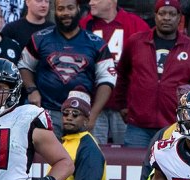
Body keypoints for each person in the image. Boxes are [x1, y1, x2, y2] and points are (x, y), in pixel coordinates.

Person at [18, 0, 116, 141]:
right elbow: (24, 66)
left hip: (81, 114)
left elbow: (107, 80)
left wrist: (93, 114)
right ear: (55, 11)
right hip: (47, 112)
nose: (65, 13)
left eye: (70, 8)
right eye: (61, 9)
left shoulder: (96, 43)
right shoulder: (39, 38)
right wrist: (32, 90)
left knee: (80, 159)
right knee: (47, 161)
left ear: (78, 9)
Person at [115, 0, 190, 147]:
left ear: (179, 17)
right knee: (136, 167)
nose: (166, 17)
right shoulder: (136, 42)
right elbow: (121, 75)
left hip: (174, 125)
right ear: (155, 15)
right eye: (162, 13)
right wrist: (122, 105)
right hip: (138, 126)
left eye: (172, 14)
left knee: (169, 168)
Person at [80, 0, 150, 144]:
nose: (91, 2)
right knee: (94, 150)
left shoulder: (137, 25)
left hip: (124, 107)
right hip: (93, 105)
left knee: (127, 155)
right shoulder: (84, 25)